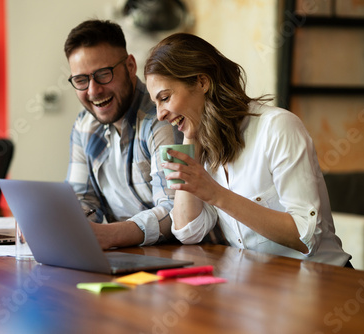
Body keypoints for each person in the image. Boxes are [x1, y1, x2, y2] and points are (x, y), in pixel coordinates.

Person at [144, 33, 352, 266]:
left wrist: (216, 193)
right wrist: (190, 137)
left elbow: (307, 238)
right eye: (155, 103)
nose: (160, 114)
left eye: (165, 98)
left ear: (202, 82)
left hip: (323, 281)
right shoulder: (207, 143)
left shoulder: (277, 127)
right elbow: (188, 232)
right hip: (260, 287)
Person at [64, 20, 180, 250]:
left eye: (103, 74)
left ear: (130, 66)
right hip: (126, 254)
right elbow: (82, 199)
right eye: (81, 80)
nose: (93, 90)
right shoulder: (84, 125)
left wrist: (109, 235)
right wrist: (67, 227)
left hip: (174, 256)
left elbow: (175, 211)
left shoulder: (162, 119)